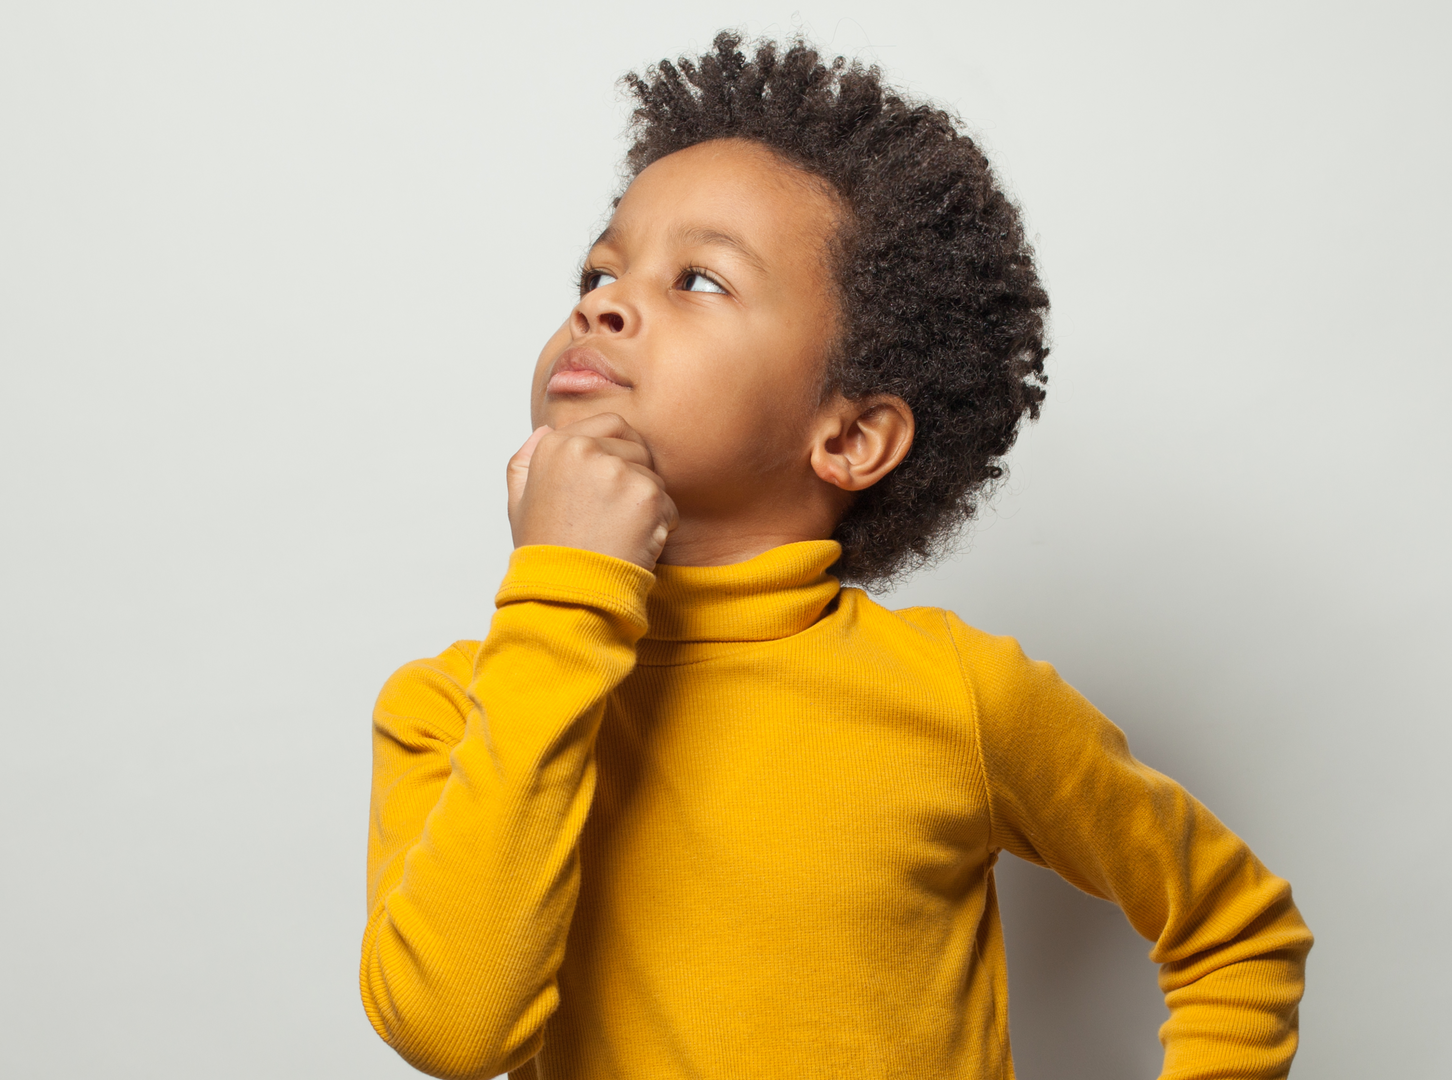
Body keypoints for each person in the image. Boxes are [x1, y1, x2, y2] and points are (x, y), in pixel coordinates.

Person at [359, 33, 1310, 1080]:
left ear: (850, 438)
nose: (600, 303)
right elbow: (456, 1031)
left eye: (699, 280)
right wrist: (564, 592)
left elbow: (1237, 932)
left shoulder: (958, 699)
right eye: (598, 269)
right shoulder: (453, 711)